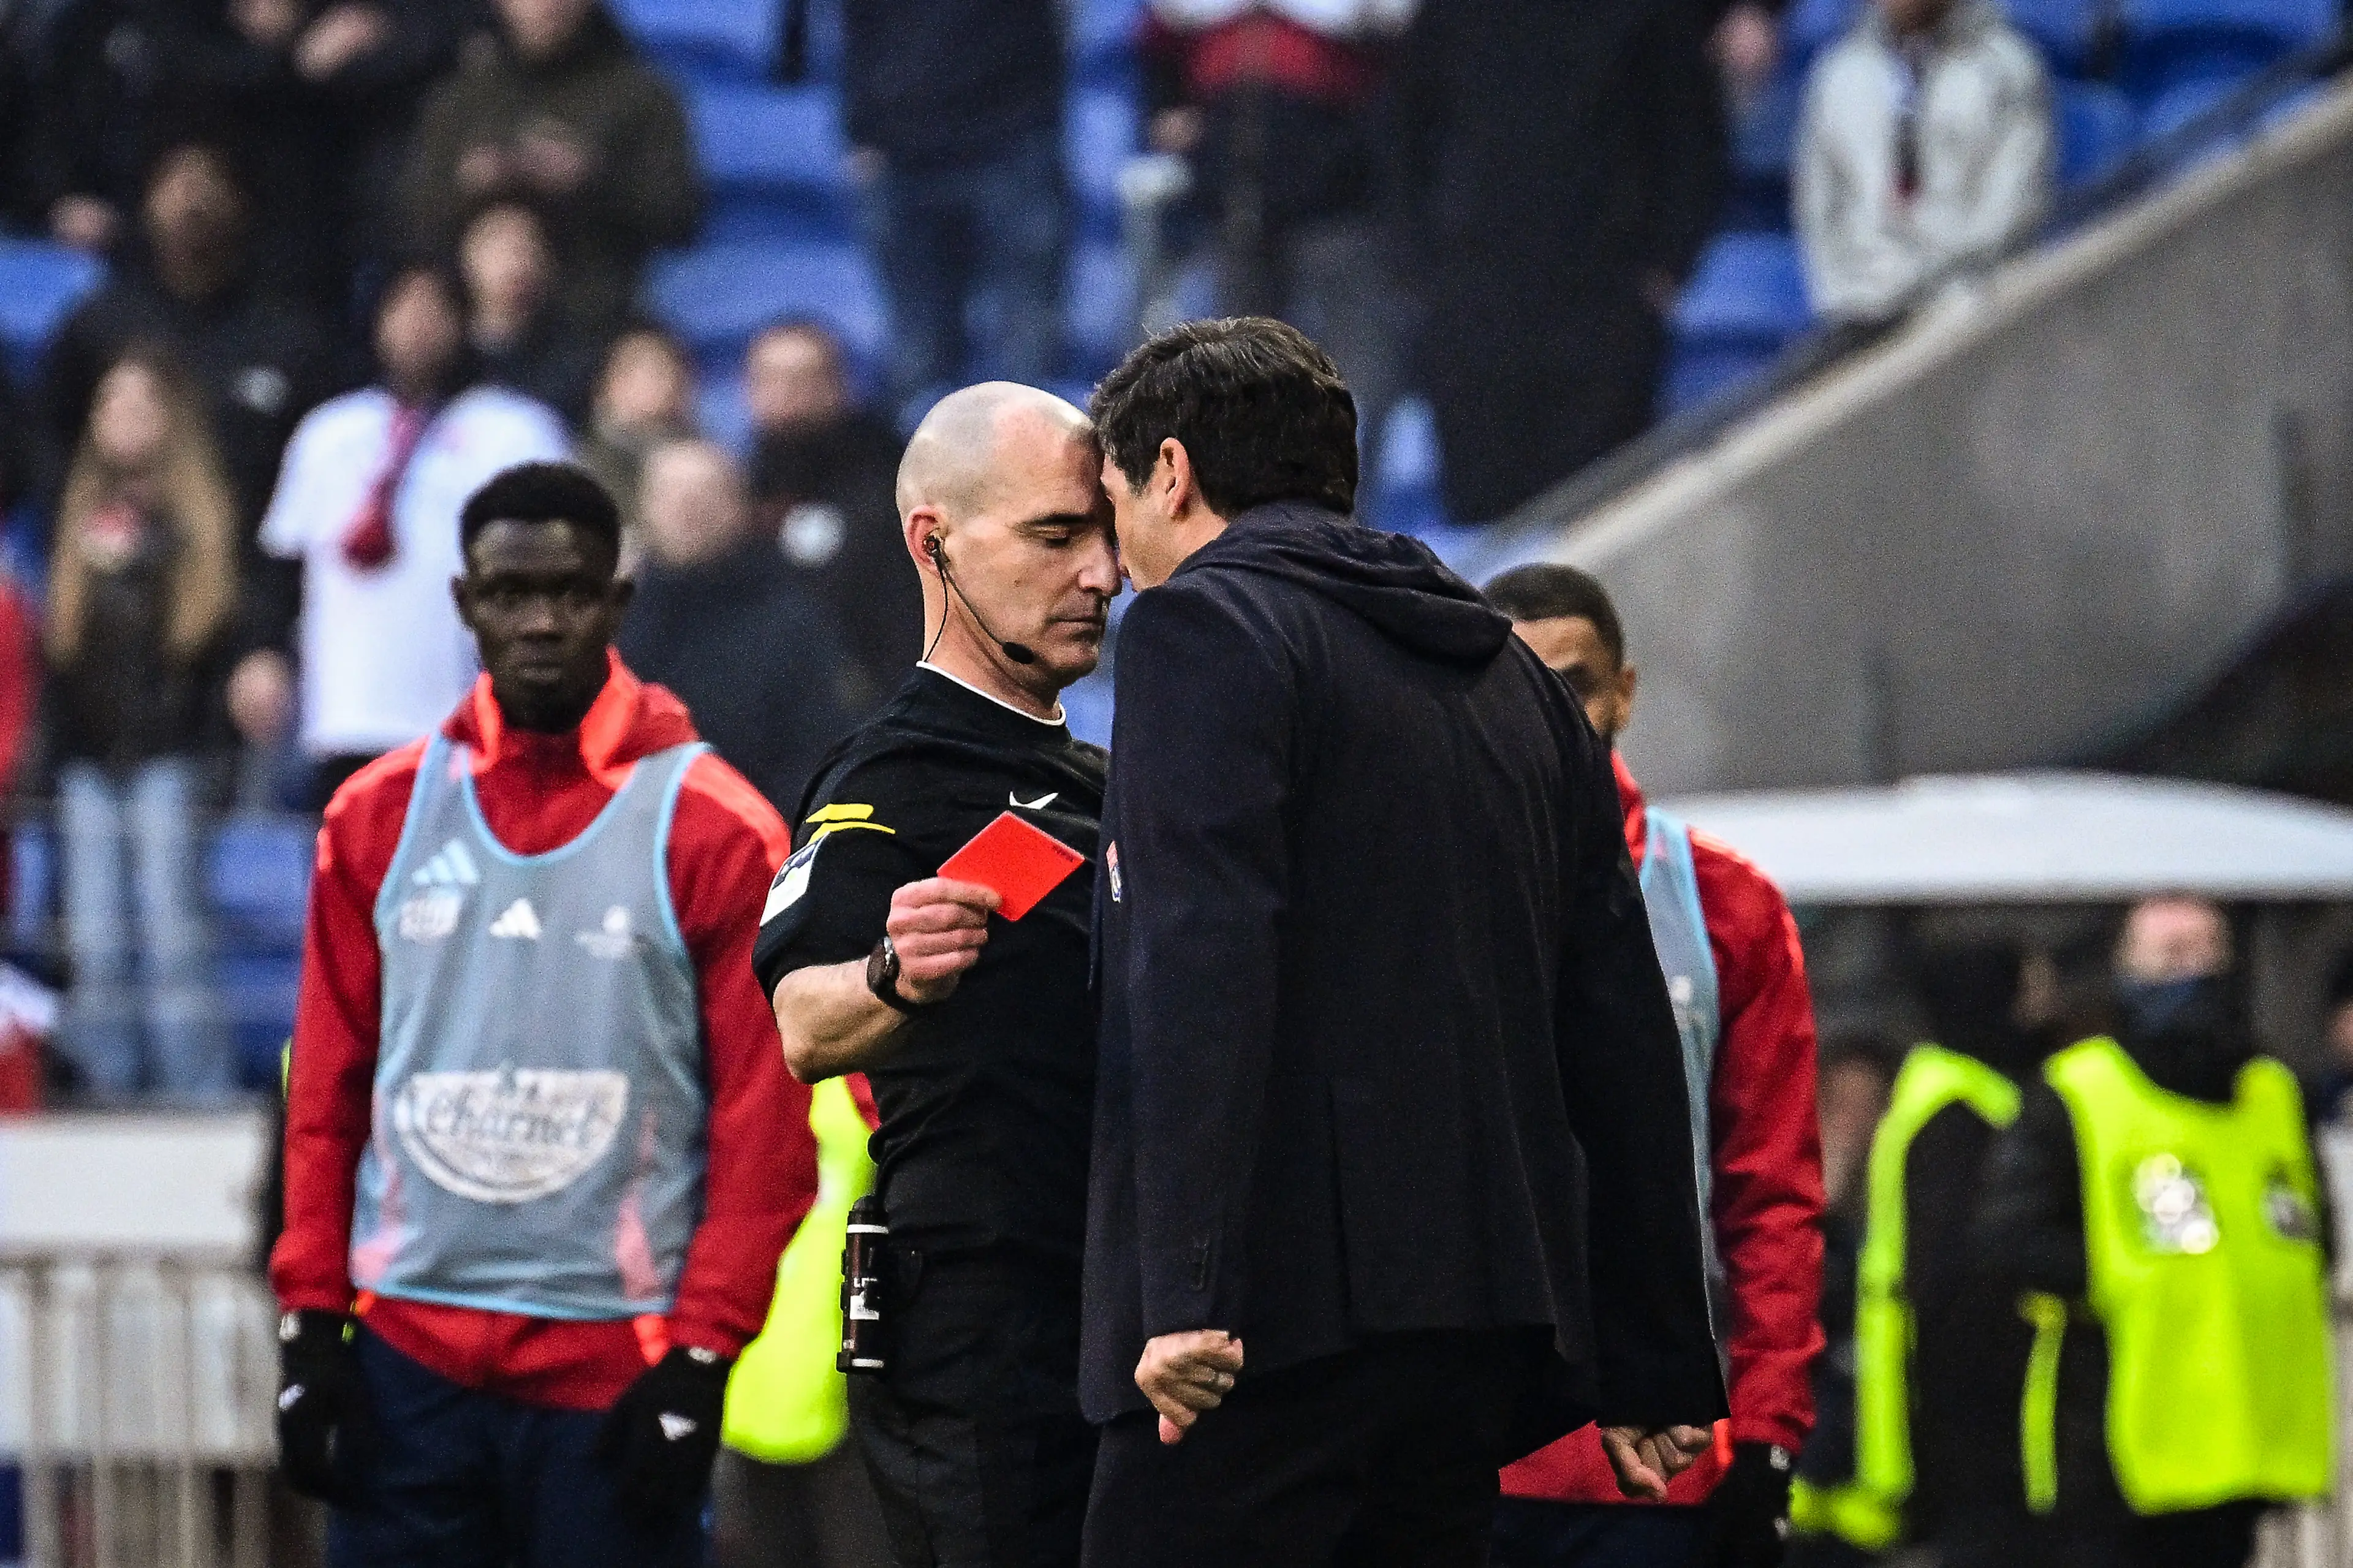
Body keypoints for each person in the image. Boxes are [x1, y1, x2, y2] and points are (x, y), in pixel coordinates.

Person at [1079, 317, 1724, 1566]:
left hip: (1272, 1325)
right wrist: (1656, 1349)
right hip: (1480, 1325)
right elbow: (1621, 1014)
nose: (1112, 565)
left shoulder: (1203, 627)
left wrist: (1187, 1295)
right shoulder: (1515, 675)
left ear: (1170, 471)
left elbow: (1204, 957)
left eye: (1111, 508)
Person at [269, 460, 819, 1566]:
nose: (539, 619)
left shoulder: (718, 828)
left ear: (617, 602)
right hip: (404, 1362)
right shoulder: (371, 819)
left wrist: (705, 1353)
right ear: (466, 602)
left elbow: (764, 1127)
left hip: (616, 1373)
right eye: (511, 594)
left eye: (569, 593)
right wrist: (310, 1323)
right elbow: (327, 1092)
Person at [755, 382, 1118, 1568]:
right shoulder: (893, 775)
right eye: (1057, 536)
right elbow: (805, 1018)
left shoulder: (1102, 778)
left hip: (1111, 1312)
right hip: (981, 1333)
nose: (1101, 574)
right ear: (936, 543)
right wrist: (893, 971)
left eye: (1105, 535)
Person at [1485, 564, 1825, 1568]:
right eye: (1520, 686)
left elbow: (1771, 1195)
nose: (1552, 717)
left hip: (1657, 1457)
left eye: (1575, 685)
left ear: (1623, 692)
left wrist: (1766, 1428)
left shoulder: (1725, 904)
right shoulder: (1414, 891)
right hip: (1454, 1449)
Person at [1976, 897, 2333, 1568]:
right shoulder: (2076, 1094)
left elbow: (2314, 1235)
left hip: (2246, 1440)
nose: (2194, 972)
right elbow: (2010, 1244)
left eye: (2209, 953)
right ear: (2124, 971)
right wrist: (2127, 1281)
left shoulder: (2272, 1094)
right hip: (2114, 1447)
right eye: (2170, 954)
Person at [233, 263, 568, 803]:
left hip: (471, 718)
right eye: (402, 309)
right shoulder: (331, 432)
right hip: (345, 710)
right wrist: (263, 653)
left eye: (434, 309)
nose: (418, 326)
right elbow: (281, 564)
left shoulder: (514, 430)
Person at [1394, 0, 1727, 523]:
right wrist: (1423, 275)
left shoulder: (1644, 15)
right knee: (1489, 538)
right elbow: (1400, 138)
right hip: (1479, 316)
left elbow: (1691, 139)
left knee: (1604, 525)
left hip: (1603, 311)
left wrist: (1666, 267)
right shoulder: (1452, 14)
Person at [44, 346, 238, 1103]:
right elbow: (64, 657)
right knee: (94, 936)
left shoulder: (199, 524)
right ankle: (107, 1084)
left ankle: (197, 1092)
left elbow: (214, 647)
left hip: (170, 755)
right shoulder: (76, 524)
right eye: (110, 404)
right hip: (89, 759)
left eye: (140, 404)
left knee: (171, 931)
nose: (124, 419)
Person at [1140, 0, 1414, 455]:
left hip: (1341, 196)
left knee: (1353, 371)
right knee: (1238, 379)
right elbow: (1163, 40)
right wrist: (1170, 107)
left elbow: (1402, 38)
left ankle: (1345, 507)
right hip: (1234, 201)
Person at [40, 142, 334, 530]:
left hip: (253, 558)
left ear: (241, 202)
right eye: (175, 180)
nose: (191, 199)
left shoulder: (286, 337)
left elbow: (320, 463)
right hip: (119, 553)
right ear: (147, 200)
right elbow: (47, 434)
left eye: (209, 179)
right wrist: (84, 520)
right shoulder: (102, 322)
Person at [402, 0, 705, 330]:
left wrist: (590, 180)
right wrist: (474, 186)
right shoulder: (458, 101)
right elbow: (411, 222)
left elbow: (679, 219)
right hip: (468, 328)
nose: (546, 5)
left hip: (596, 321)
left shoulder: (642, 97)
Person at [830, 0, 1068, 410]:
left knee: (1027, 355)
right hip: (901, 150)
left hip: (1015, 140)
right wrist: (861, 130)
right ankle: (918, 466)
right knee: (917, 353)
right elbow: (854, 29)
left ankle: (1029, 465)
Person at [615, 437, 858, 814]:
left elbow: (818, 755)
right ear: (644, 510)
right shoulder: (616, 625)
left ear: (738, 507)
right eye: (672, 495)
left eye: (707, 496)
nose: (689, 510)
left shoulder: (791, 619)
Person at [1793, 0, 2052, 323]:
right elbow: (1819, 211)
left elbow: (2012, 213)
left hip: (1974, 303)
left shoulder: (2007, 68)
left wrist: (1925, 283)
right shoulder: (1838, 75)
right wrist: (1848, 301)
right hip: (1864, 312)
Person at [746, 319, 922, 712]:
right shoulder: (740, 480)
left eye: (802, 379)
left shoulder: (893, 475)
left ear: (838, 385)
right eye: (769, 379)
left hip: (878, 687)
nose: (785, 394)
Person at [460, 198, 604, 425]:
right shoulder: (445, 354)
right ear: (467, 255)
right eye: (500, 245)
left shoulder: (574, 364)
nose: (516, 260)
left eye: (528, 246)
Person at [578, 324, 699, 548]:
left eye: (673, 373)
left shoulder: (705, 458)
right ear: (612, 386)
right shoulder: (589, 470)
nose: (668, 385)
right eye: (653, 375)